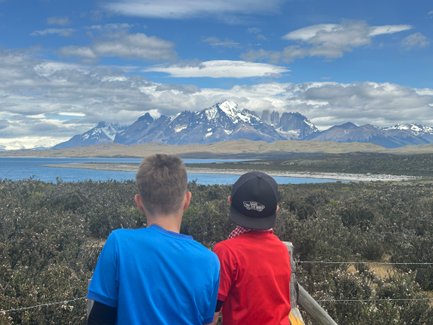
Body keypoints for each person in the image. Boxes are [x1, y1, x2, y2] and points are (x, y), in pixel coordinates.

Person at [87, 154, 220, 325]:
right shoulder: (210, 261)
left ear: (139, 202)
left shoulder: (119, 243)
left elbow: (99, 318)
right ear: (187, 199)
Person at [212, 171, 292, 325]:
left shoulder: (226, 252)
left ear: (230, 201)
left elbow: (213, 312)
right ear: (276, 209)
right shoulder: (281, 249)